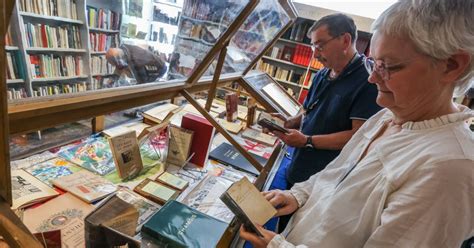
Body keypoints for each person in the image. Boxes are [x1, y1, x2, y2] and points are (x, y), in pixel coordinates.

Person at [241, 0, 474, 247]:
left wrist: (277, 246)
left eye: (387, 67)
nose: (372, 78)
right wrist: (297, 195)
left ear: (451, 66)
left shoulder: (450, 170)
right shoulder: (387, 116)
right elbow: (335, 174)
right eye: (372, 63)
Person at [271, 14, 381, 188]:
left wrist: (307, 140)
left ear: (345, 40)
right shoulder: (323, 73)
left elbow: (359, 136)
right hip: (299, 167)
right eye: (313, 46)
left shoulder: (368, 82)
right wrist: (293, 121)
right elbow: (308, 109)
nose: (314, 55)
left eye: (320, 46)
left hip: (325, 181)